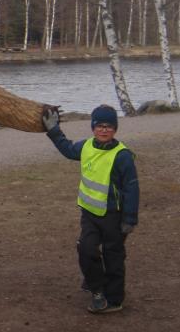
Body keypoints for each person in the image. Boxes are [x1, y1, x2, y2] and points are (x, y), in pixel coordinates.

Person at [43, 104, 139, 314]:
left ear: (115, 129)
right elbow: (67, 149)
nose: (104, 130)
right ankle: (96, 289)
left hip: (114, 216)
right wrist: (53, 130)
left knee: (113, 257)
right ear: (93, 127)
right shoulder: (86, 146)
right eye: (100, 125)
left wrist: (130, 219)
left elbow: (132, 188)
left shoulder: (122, 156)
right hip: (89, 214)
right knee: (86, 249)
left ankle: (114, 300)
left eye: (109, 126)